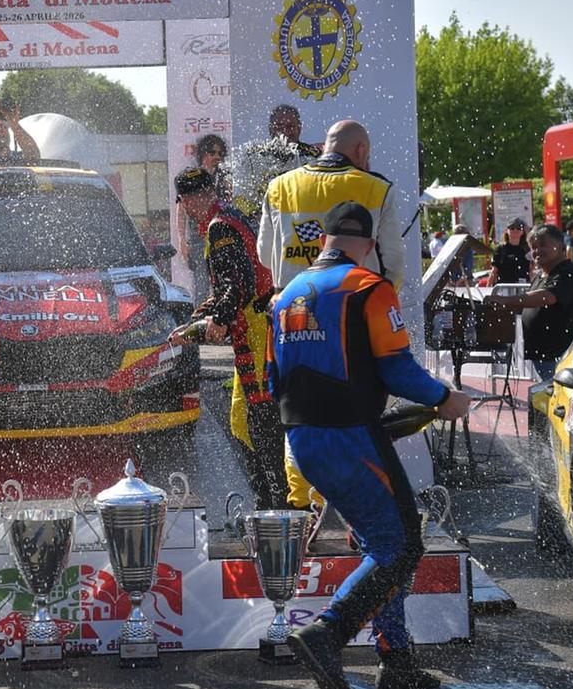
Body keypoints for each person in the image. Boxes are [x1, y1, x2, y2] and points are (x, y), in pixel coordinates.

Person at [269, 202, 470, 689]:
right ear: (369, 242)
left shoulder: (286, 295)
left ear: (325, 241)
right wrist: (447, 400)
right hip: (350, 437)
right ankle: (328, 633)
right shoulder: (367, 288)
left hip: (304, 441)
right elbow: (399, 370)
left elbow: (275, 381)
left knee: (378, 545)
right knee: (401, 546)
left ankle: (396, 664)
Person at [167, 168, 287, 510]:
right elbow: (228, 287)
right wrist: (192, 321)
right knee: (240, 420)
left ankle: (279, 509)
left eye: (184, 204)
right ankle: (265, 500)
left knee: (263, 420)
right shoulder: (229, 216)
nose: (186, 211)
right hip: (252, 328)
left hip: (255, 331)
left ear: (189, 201)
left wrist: (217, 320)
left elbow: (239, 285)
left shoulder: (219, 228)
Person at [258, 120, 404, 293]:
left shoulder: (278, 186)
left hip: (292, 307)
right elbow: (394, 261)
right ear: (361, 150)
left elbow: (266, 255)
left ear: (325, 147)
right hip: (353, 304)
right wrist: (383, 299)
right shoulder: (378, 189)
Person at [488, 224, 573, 381]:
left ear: (560, 246)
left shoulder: (568, 272)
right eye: (533, 247)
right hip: (544, 355)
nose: (536, 251)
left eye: (542, 245)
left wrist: (505, 301)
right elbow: (529, 305)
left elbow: (547, 297)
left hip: (560, 357)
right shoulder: (542, 276)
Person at [175, 134, 231, 303]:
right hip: (198, 238)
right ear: (202, 154)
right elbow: (181, 211)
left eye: (220, 153)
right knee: (201, 285)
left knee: (223, 282)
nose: (216, 157)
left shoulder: (225, 176)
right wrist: (182, 241)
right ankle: (199, 322)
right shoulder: (189, 177)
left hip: (221, 235)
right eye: (212, 152)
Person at [491, 220, 531, 284]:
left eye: (518, 229)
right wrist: (488, 288)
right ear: (507, 231)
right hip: (504, 287)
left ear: (522, 232)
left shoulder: (527, 249)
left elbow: (531, 270)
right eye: (512, 228)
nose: (515, 231)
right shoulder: (500, 249)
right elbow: (494, 271)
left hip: (522, 287)